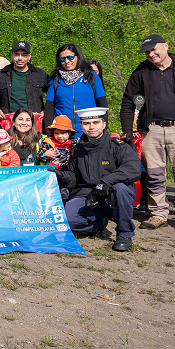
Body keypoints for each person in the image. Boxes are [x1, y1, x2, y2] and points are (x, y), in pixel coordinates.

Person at [120, 34, 175, 237]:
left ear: (166, 46)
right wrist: (127, 129)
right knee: (154, 175)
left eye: (154, 49)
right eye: (147, 52)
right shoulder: (141, 71)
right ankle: (158, 213)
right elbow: (128, 101)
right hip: (151, 130)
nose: (151, 54)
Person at [54, 107, 141, 252]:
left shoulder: (118, 147)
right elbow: (74, 177)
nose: (91, 127)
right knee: (68, 221)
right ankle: (99, 225)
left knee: (121, 189)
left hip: (112, 194)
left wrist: (106, 182)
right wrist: (63, 177)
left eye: (96, 122)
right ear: (81, 126)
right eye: (87, 123)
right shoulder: (77, 150)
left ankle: (124, 234)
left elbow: (133, 168)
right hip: (88, 196)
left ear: (104, 124)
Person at [43, 44, 109, 135]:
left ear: (78, 57)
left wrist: (104, 130)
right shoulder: (56, 79)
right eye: (62, 59)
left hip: (89, 131)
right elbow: (49, 108)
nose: (66, 61)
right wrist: (48, 133)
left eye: (70, 57)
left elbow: (102, 105)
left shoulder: (91, 76)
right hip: (63, 133)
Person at [0, 41, 49, 119]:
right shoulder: (0, 75)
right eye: (16, 54)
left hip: (34, 120)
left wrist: (47, 110)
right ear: (11, 55)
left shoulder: (40, 74)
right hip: (7, 120)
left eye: (24, 55)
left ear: (29, 56)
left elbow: (55, 94)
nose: (20, 58)